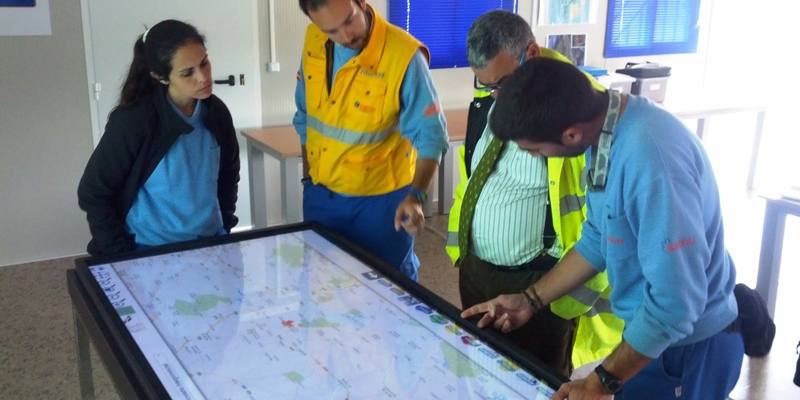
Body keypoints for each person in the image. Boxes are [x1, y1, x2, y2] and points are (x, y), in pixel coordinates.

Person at [462, 58, 743, 399]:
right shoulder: (605, 132)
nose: (536, 157)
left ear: (570, 134)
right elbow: (597, 239)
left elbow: (675, 305)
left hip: (686, 345)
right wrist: (529, 300)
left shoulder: (650, 161)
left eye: (535, 150)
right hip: (649, 334)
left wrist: (601, 382)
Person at [444, 10, 622, 377]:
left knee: (534, 380)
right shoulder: (489, 95)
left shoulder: (578, 109)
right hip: (476, 268)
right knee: (479, 371)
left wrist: (545, 294)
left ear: (532, 54)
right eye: (486, 84)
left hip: (540, 281)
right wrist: (463, 253)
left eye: (502, 82)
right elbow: (473, 175)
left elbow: (605, 221)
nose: (496, 94)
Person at [293, 0, 448, 281]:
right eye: (332, 31)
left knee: (390, 288)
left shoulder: (403, 55)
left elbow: (432, 136)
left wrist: (416, 197)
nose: (346, 36)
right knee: (321, 285)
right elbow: (305, 118)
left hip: (381, 206)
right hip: (321, 196)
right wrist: (308, 181)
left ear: (361, 3)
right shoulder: (313, 40)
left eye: (349, 20)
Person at [78, 20, 239, 256]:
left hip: (211, 241)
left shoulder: (217, 112)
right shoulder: (134, 120)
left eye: (204, 63)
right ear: (161, 77)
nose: (203, 77)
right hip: (150, 249)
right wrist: (120, 254)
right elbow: (93, 192)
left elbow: (229, 174)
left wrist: (225, 223)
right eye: (187, 73)